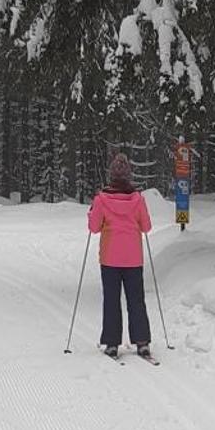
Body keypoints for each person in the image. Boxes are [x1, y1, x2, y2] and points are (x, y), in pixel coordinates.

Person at [88, 152, 154, 358]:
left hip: (109, 258)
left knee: (111, 300)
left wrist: (92, 212)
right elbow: (147, 227)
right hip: (133, 258)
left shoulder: (101, 199)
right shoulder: (138, 199)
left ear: (111, 177)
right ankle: (142, 342)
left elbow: (94, 228)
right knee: (136, 300)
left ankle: (112, 343)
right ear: (128, 176)